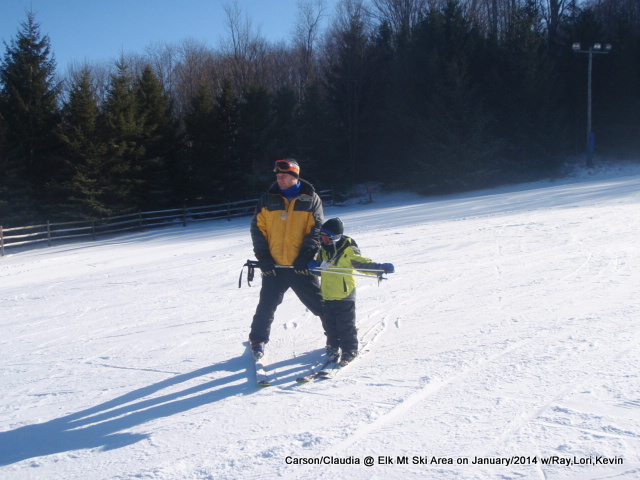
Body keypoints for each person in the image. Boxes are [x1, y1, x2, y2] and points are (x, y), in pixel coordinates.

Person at [248, 159, 328, 359]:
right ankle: (258, 340)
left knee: (320, 304)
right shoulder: (268, 199)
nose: (279, 179)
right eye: (277, 176)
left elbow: (316, 230)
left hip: (299, 266)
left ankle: (337, 336)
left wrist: (306, 256)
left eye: (283, 176)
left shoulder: (311, 199)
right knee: (266, 305)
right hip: (274, 266)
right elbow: (258, 229)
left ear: (295, 177)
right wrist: (263, 257)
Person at [309, 218, 395, 366]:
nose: (322, 240)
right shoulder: (323, 251)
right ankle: (333, 345)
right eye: (320, 237)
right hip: (328, 293)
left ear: (334, 237)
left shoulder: (347, 250)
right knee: (329, 323)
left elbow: (362, 264)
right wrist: (315, 268)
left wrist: (379, 268)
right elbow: (323, 271)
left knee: (345, 324)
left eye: (325, 237)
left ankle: (349, 349)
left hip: (345, 294)